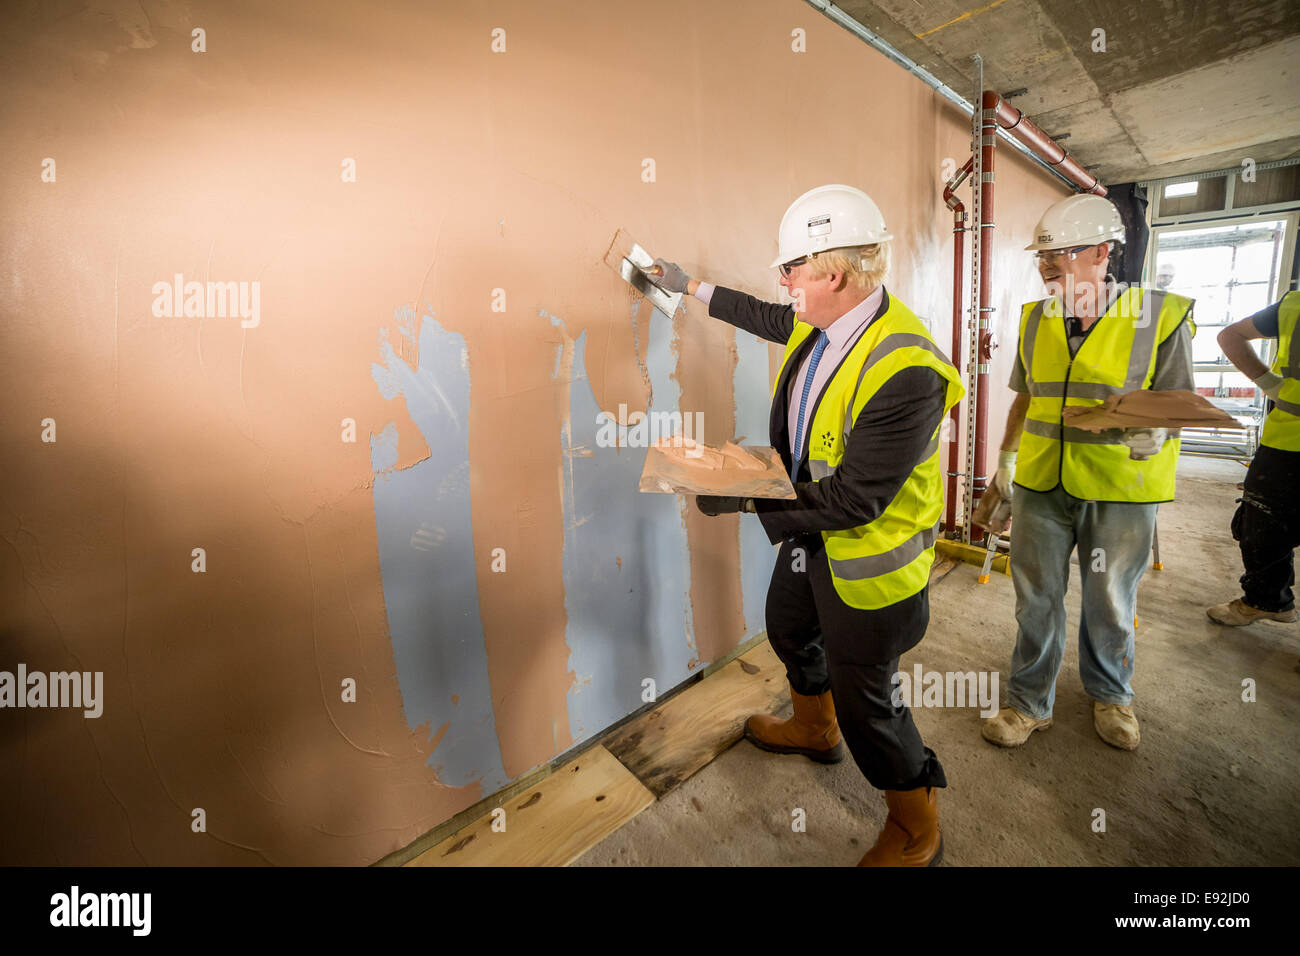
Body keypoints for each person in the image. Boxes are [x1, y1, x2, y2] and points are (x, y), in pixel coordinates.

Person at [648, 184, 963, 867]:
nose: (781, 281)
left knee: (869, 704)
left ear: (835, 274)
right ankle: (815, 729)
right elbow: (762, 313)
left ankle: (916, 820)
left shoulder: (908, 368)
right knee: (790, 631)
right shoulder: (820, 320)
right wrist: (687, 285)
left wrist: (738, 492)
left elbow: (855, 500)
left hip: (872, 564)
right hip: (811, 536)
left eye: (791, 268)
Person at [982, 194, 1195, 752]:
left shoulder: (1159, 316)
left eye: (1063, 255)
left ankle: (1112, 695)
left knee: (1111, 599)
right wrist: (1005, 462)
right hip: (1042, 484)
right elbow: (1025, 399)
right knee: (1035, 596)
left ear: (1103, 252)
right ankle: (1029, 702)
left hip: (1120, 488)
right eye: (1044, 259)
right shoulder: (1035, 319)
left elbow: (1178, 403)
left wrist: (1160, 430)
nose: (1049, 268)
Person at [1206, 292, 1300, 626]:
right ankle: (1267, 600)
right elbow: (1229, 336)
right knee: (1261, 527)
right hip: (1286, 440)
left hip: (1286, 442)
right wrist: (1270, 385)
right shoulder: (1294, 305)